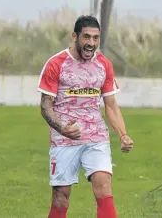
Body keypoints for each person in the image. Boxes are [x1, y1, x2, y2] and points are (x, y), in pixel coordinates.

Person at [37, 15, 134, 218]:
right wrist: (63, 128)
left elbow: (111, 105)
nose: (91, 43)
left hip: (96, 137)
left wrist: (123, 134)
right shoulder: (56, 64)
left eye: (96, 38)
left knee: (104, 187)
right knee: (60, 197)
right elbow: (46, 107)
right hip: (63, 139)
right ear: (75, 36)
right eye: (86, 37)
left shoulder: (104, 65)